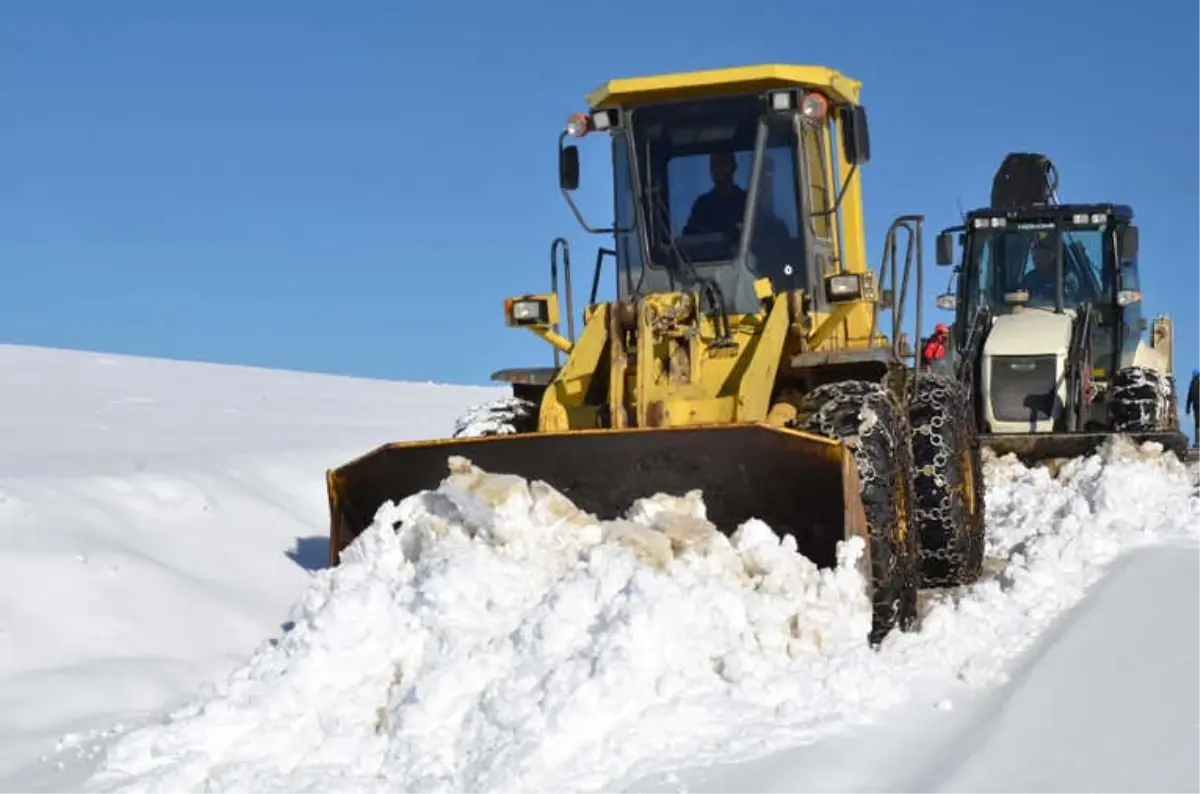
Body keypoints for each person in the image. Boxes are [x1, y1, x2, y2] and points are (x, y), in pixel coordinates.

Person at [682, 149, 746, 239]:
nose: (716, 169)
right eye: (713, 165)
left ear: (733, 166)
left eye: (721, 164)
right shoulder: (702, 205)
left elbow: (765, 233)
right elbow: (689, 236)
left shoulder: (748, 202)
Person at [1186, 369, 1200, 446]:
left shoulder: (1193, 384)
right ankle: (1198, 441)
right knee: (1197, 424)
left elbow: (1189, 397)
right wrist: (1187, 408)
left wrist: (1187, 408)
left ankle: (1198, 441)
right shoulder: (1192, 384)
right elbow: (1189, 397)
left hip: (1196, 406)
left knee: (1198, 424)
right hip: (1196, 407)